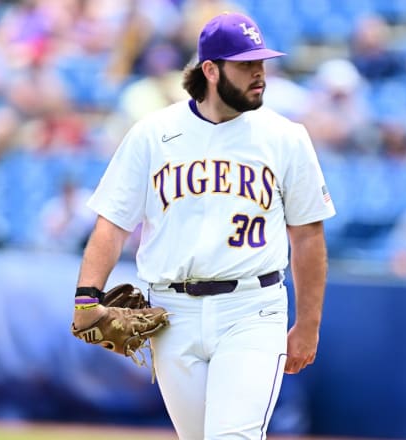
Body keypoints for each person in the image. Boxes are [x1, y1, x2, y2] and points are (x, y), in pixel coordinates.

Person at [72, 11, 336, 439]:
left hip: (253, 307)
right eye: (246, 65)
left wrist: (308, 324)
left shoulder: (286, 137)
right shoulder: (154, 134)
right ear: (211, 70)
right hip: (172, 312)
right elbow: (112, 223)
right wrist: (87, 295)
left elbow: (308, 236)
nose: (259, 74)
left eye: (262, 63)